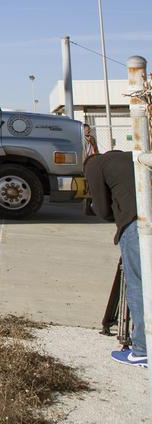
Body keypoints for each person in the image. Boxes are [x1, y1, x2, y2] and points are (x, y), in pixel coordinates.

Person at [84, 149, 146, 367]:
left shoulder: (93, 165)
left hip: (136, 222)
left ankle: (141, 349)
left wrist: (114, 214)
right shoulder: (131, 155)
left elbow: (101, 208)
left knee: (138, 285)